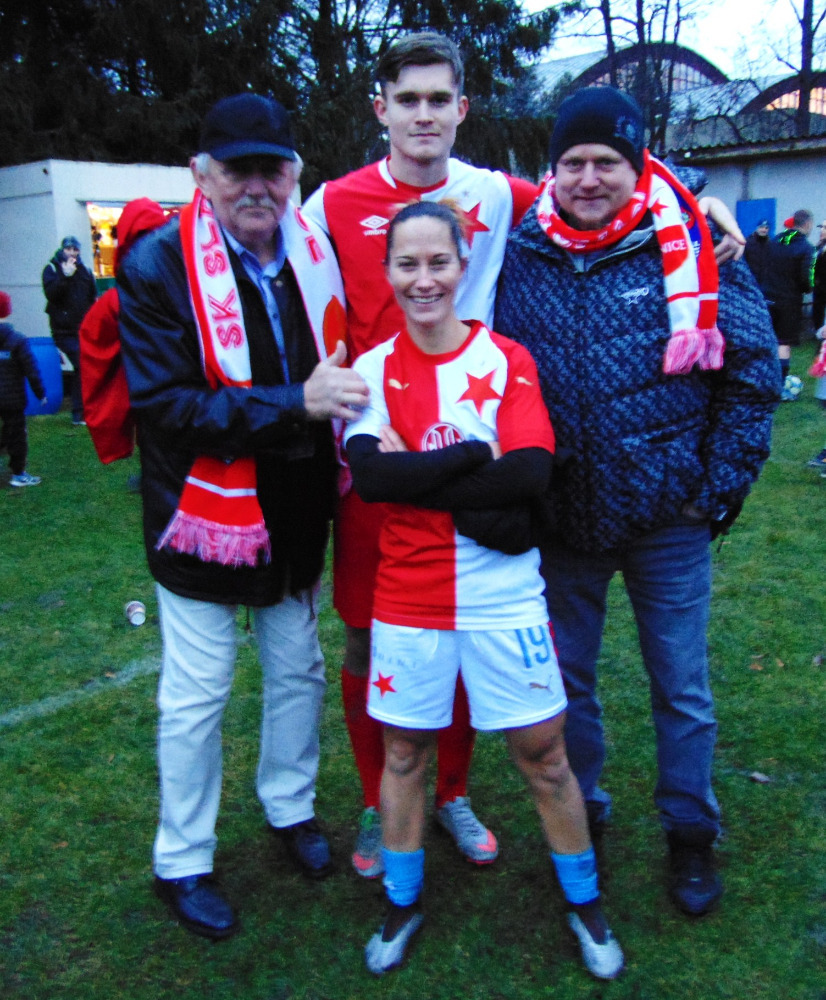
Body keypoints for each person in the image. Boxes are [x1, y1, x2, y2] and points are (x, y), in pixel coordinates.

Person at [303, 29, 746, 880]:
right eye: (408, 99)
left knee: (466, 629)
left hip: (479, 457)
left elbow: (603, 181)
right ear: (380, 108)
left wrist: (702, 200)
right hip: (377, 456)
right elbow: (282, 271)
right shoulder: (330, 202)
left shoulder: (497, 194)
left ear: (462, 108)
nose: (424, 114)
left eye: (439, 99)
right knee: (371, 641)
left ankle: (453, 792)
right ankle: (377, 801)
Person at [495, 86, 780, 918]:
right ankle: (581, 813)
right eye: (573, 162)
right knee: (568, 683)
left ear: (638, 164)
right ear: (553, 170)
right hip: (564, 519)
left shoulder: (694, 242)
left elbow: (752, 374)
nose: (589, 179)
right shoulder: (518, 253)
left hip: (668, 520)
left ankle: (690, 832)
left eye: (607, 162)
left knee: (681, 686)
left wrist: (713, 491)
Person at [345, 200, 624, 980]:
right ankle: (402, 902)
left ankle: (584, 902)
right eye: (408, 263)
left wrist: (417, 472)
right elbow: (370, 477)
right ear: (388, 271)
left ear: (463, 267)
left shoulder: (506, 358)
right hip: (408, 597)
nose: (424, 279)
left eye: (439, 262)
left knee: (545, 756)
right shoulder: (371, 369)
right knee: (405, 754)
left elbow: (529, 471)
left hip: (503, 597)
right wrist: (474, 456)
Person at [117, 93, 368, 940]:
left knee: (298, 670)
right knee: (197, 695)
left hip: (294, 509)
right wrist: (297, 403)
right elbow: (167, 406)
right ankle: (181, 859)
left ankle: (289, 807)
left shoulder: (316, 252)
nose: (257, 186)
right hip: (200, 515)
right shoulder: (155, 263)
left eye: (273, 168)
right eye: (238, 170)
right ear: (202, 174)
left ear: (295, 174)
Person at [79, 197, 169, 466]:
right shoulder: (182, 285)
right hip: (172, 407)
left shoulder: (116, 301)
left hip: (164, 406)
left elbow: (95, 351)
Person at [42, 235, 97, 425]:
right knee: (81, 363)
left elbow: (92, 298)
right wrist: (65, 277)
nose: (72, 253)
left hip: (83, 329)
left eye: (75, 249)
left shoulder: (85, 271)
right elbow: (51, 295)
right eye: (68, 249)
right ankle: (78, 413)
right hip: (63, 331)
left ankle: (88, 408)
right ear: (62, 250)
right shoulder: (52, 269)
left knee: (87, 366)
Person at [761, 209, 815, 395]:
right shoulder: (806, 247)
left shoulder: (776, 240)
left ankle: (763, 379)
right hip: (788, 301)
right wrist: (808, 288)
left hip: (767, 297)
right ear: (807, 224)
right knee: (783, 343)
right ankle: (780, 385)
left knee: (768, 340)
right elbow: (806, 277)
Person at [0, 291, 46, 487]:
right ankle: (18, 474)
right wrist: (41, 393)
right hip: (13, 400)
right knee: (17, 435)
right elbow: (31, 370)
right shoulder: (17, 340)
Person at [743, 218, 772, 295]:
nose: (764, 230)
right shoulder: (748, 242)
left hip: (765, 282)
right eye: (761, 227)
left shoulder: (770, 244)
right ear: (757, 228)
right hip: (750, 279)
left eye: (766, 228)